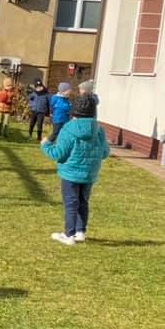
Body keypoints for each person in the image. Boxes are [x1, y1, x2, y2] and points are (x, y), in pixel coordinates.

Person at [41, 93, 110, 246]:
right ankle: (80, 232)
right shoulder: (99, 130)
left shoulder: (68, 128)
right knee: (83, 201)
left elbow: (58, 153)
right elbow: (105, 153)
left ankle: (69, 235)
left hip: (70, 174)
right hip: (89, 174)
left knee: (71, 203)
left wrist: (45, 145)